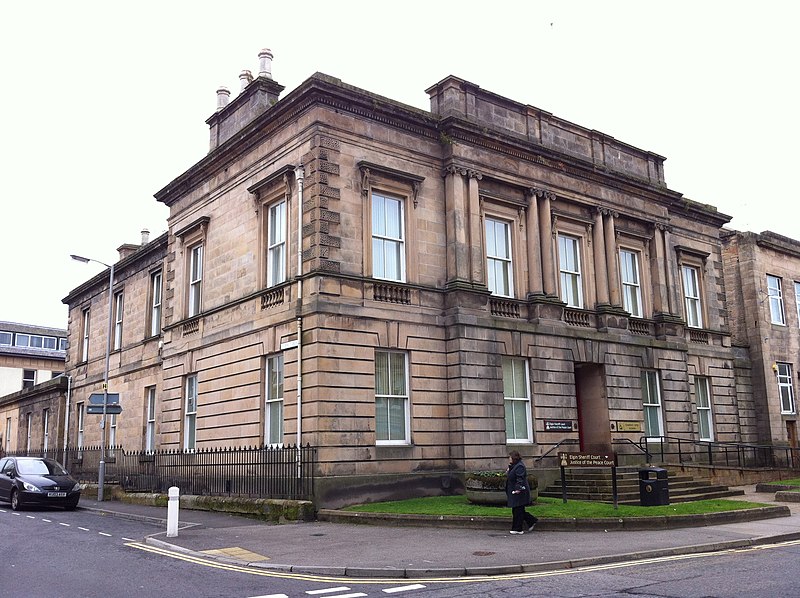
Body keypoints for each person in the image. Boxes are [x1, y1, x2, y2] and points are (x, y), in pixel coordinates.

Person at [506, 450, 538, 534]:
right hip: (516, 491)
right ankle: (531, 520)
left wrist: (518, 489)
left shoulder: (520, 466)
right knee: (518, 509)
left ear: (513, 458)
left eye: (510, 457)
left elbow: (519, 478)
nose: (509, 459)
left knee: (517, 509)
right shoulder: (515, 466)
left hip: (519, 491)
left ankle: (518, 528)